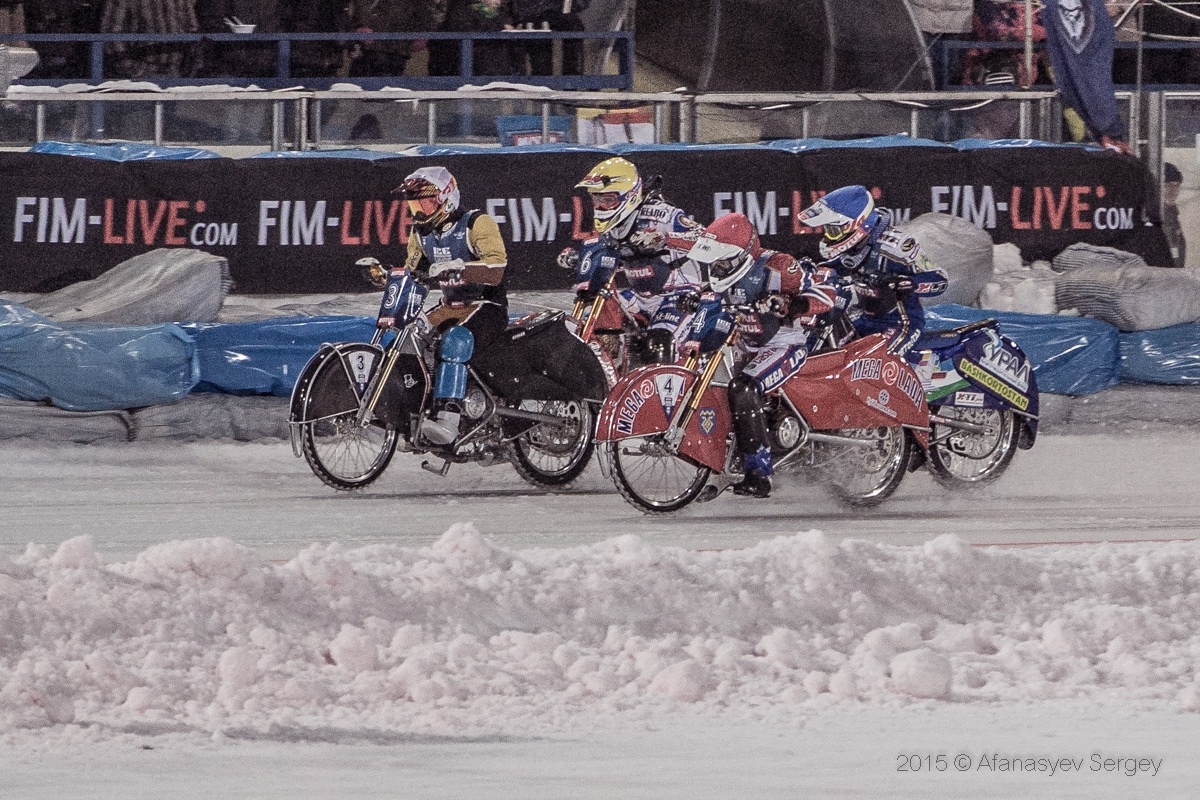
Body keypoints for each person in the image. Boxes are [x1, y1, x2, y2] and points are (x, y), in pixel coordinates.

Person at [685, 212, 838, 499]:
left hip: (784, 345)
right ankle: (720, 464)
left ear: (743, 253)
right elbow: (710, 302)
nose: (717, 267)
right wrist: (693, 299)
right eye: (714, 261)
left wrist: (792, 303)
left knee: (744, 388)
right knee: (714, 389)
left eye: (723, 261)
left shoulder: (779, 266)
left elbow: (825, 292)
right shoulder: (723, 278)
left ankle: (760, 472)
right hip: (746, 346)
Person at [398, 165, 509, 444]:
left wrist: (460, 268)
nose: (419, 210)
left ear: (446, 198)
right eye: (414, 204)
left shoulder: (476, 222)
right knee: (406, 338)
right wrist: (385, 276)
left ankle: (449, 417)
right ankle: (412, 412)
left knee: (455, 341)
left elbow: (497, 267)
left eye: (424, 201)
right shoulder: (420, 233)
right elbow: (413, 272)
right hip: (449, 306)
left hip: (486, 306)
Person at [559, 156, 704, 364]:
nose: (601, 206)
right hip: (639, 296)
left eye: (608, 200)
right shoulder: (611, 227)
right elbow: (613, 255)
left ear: (629, 195)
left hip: (677, 295)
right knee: (596, 326)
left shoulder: (662, 214)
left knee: (658, 344)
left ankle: (669, 388)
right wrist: (578, 257)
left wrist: (664, 238)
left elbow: (703, 237)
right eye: (597, 200)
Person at [797, 185, 948, 357]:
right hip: (864, 316)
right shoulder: (852, 247)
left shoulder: (897, 247)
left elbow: (940, 280)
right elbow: (836, 266)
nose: (828, 236)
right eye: (828, 231)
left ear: (857, 224)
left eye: (833, 230)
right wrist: (807, 271)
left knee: (874, 362)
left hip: (901, 322)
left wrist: (907, 284)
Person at [342, 0, 440, 79]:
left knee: (388, 89)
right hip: (369, 50)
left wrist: (424, 33)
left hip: (395, 49)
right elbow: (346, 12)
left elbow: (428, 14)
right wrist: (356, 31)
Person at [428, 0, 515, 78]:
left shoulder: (498, 13)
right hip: (470, 63)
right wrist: (498, 27)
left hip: (493, 65)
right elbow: (464, 28)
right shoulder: (462, 8)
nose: (497, 2)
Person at [511, 0, 589, 76]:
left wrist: (573, 5)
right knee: (539, 39)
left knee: (574, 27)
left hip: (562, 10)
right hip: (534, 12)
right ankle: (542, 80)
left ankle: (572, 79)